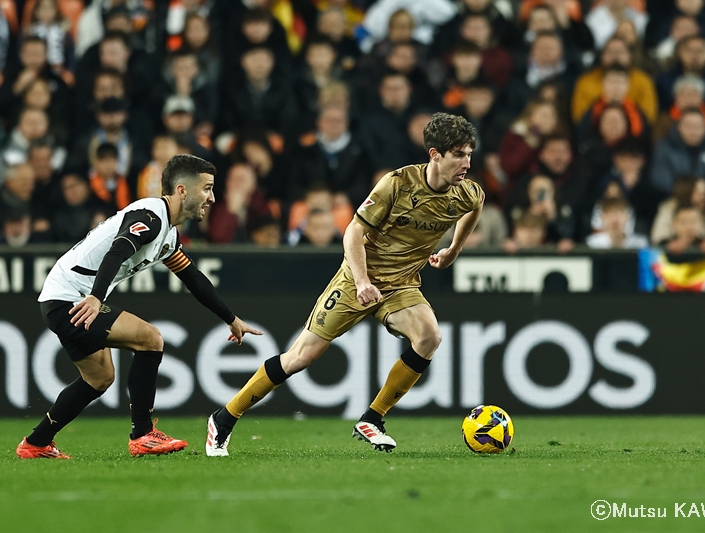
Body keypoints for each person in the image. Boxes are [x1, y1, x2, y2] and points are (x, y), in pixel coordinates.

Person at [206, 112, 484, 456]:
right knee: (300, 357)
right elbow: (353, 231)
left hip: (401, 285)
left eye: (469, 154)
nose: (466, 163)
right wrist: (363, 280)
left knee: (430, 336)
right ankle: (224, 418)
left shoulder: (466, 193)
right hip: (356, 279)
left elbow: (475, 207)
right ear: (435, 155)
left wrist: (453, 249)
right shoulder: (397, 184)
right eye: (458, 154)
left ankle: (372, 419)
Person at [17, 154, 262, 459]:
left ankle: (36, 443)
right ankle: (143, 435)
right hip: (71, 299)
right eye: (207, 189)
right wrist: (96, 296)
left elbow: (193, 278)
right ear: (182, 190)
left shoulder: (168, 233)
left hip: (64, 298)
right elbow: (117, 251)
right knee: (150, 338)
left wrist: (231, 318)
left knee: (99, 378)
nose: (212, 198)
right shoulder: (150, 217)